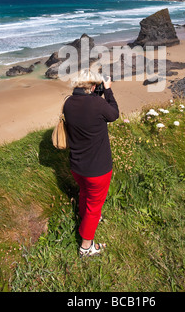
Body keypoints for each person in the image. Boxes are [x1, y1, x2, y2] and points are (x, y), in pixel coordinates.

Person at [63, 68, 119, 257]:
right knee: (95, 206)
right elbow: (114, 115)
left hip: (77, 166)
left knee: (84, 193)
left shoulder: (68, 103)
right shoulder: (97, 103)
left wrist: (97, 91)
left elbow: (86, 105)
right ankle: (86, 247)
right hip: (97, 169)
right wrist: (108, 90)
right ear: (94, 85)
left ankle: (84, 218)